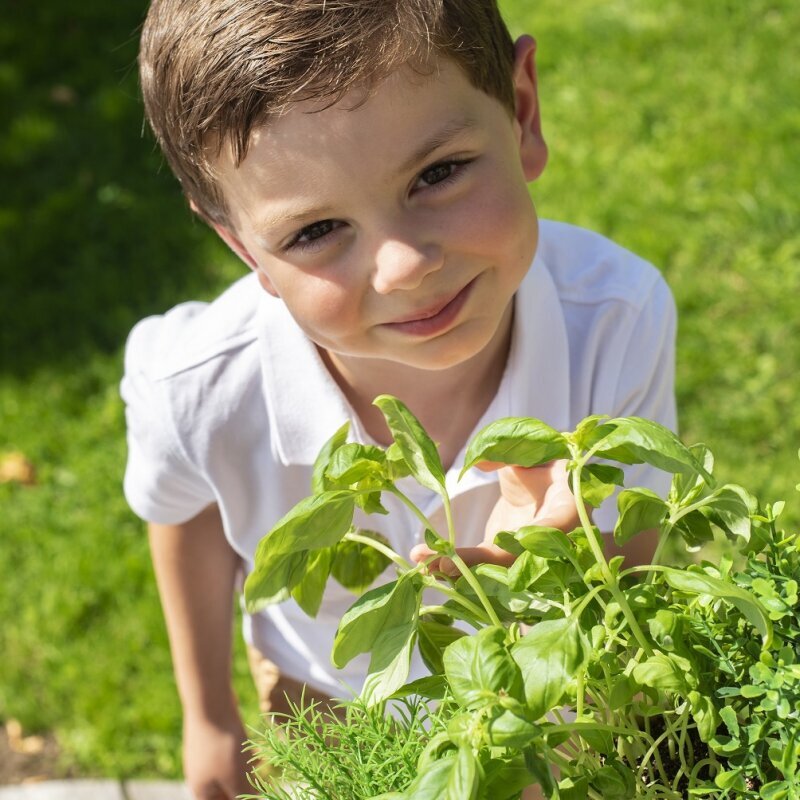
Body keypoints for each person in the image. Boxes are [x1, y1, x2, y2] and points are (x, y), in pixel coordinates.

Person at [121, 1, 677, 797]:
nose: (404, 264)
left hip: (544, 699)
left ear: (522, 111)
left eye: (438, 173)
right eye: (316, 231)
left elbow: (630, 570)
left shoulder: (616, 319)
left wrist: (561, 569)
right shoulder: (204, 388)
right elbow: (181, 507)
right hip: (330, 690)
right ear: (243, 248)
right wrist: (208, 717)